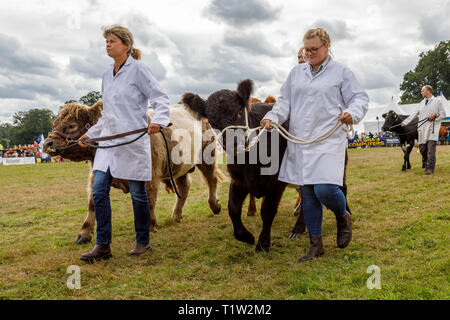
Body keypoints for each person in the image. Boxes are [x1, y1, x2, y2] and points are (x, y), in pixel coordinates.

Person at [261, 28, 368, 262]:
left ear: (326, 46)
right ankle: (316, 245)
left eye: (313, 49)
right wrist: (273, 117)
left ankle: (342, 215)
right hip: (301, 140)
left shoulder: (342, 73)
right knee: (308, 194)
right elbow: (284, 102)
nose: (308, 53)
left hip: (328, 139)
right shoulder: (296, 73)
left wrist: (351, 112)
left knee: (325, 188)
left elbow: (359, 98)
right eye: (305, 49)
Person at [77, 25, 170, 262]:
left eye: (112, 41)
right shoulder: (106, 74)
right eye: (106, 41)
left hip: (132, 142)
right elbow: (109, 113)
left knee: (138, 194)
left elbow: (160, 97)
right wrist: (92, 133)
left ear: (125, 45)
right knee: (99, 191)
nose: (107, 45)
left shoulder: (139, 70)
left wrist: (158, 121)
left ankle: (142, 241)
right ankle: (103, 245)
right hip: (108, 145)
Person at [401, 85, 446, 174]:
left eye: (422, 91)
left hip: (432, 129)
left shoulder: (437, 102)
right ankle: (426, 162)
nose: (421, 92)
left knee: (430, 150)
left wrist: (435, 115)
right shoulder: (421, 103)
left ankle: (430, 168)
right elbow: (413, 114)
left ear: (428, 91)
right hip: (422, 129)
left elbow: (443, 114)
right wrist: (404, 123)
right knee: (422, 149)